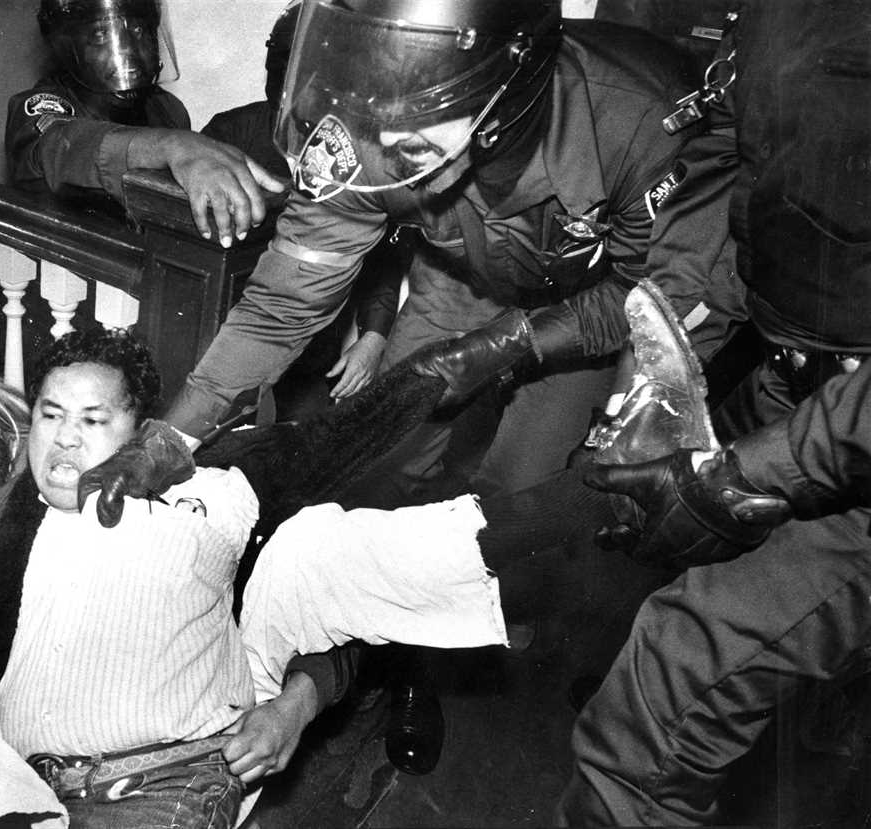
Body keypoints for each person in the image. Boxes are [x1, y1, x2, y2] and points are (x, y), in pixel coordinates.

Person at [102, 0, 741, 776]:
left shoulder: (647, 120)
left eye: (409, 132)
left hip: (597, 310)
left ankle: (420, 671)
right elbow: (282, 304)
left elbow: (668, 304)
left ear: (505, 99)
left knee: (502, 506)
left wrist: (515, 345)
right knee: (379, 468)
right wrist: (173, 433)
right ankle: (337, 677)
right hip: (462, 285)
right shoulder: (374, 115)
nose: (375, 141)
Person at [0, 329, 510, 828]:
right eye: (51, 414)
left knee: (337, 540)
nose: (66, 439)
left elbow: (322, 589)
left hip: (168, 778)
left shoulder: (209, 494)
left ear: (140, 429)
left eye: (93, 419)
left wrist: (294, 707)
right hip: (23, 789)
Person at [556, 1, 871, 823]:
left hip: (856, 428)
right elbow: (745, 160)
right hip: (800, 374)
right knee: (648, 521)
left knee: (670, 683)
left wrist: (741, 474)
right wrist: (665, 355)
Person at [201, 0, 405, 418]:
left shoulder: (365, 155)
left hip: (313, 343)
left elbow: (383, 248)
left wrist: (374, 336)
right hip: (223, 334)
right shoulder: (230, 133)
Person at [5, 0, 285, 248]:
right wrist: (171, 146)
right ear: (68, 47)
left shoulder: (165, 108)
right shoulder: (39, 106)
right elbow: (61, 146)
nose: (129, 51)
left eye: (138, 31)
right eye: (102, 34)